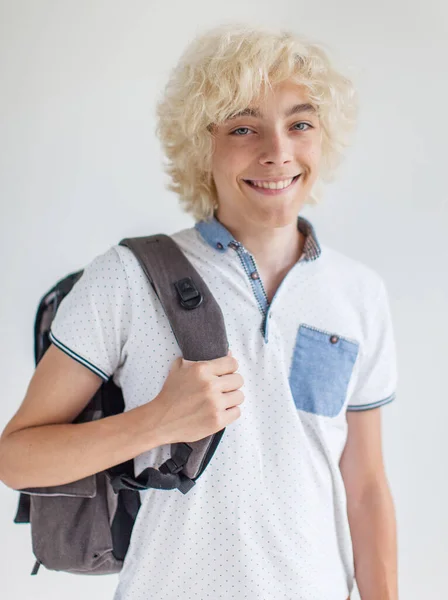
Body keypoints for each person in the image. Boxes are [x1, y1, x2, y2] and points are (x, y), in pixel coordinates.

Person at [0, 23, 398, 600]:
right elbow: (17, 458)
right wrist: (158, 420)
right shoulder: (127, 276)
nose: (278, 152)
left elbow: (364, 488)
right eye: (243, 127)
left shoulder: (359, 293)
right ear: (200, 144)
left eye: (300, 124)